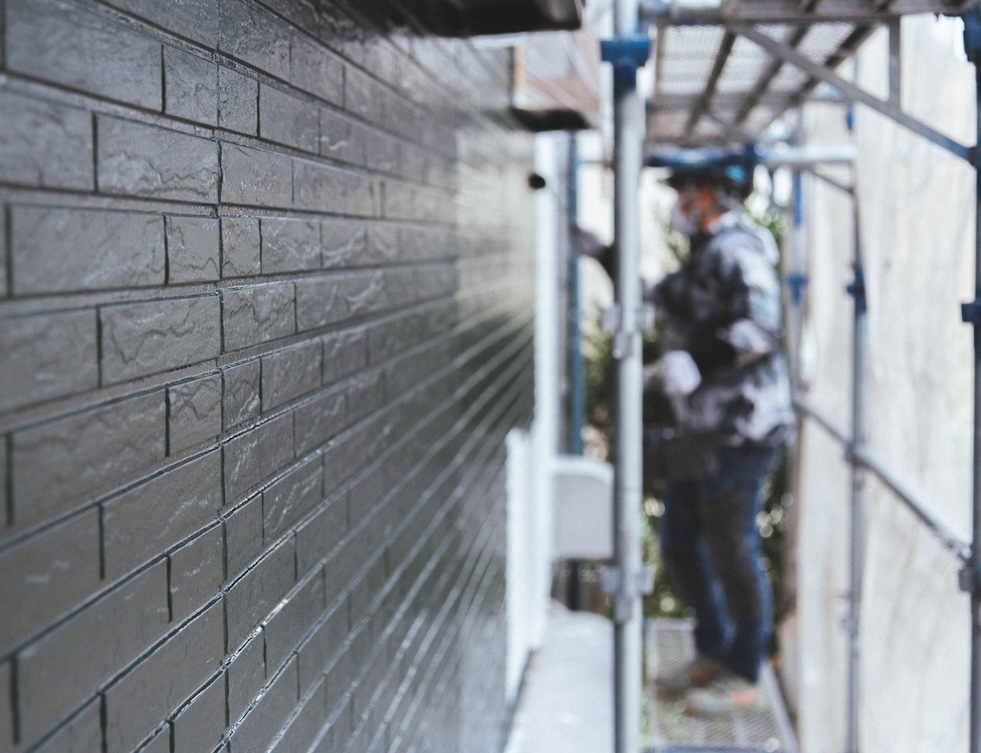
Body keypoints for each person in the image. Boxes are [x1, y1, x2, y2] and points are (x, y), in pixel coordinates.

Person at [574, 151, 795, 715]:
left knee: (731, 549)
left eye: (687, 192)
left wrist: (696, 359)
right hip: (706, 429)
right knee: (678, 540)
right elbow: (656, 296)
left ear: (714, 195)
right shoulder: (706, 256)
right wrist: (603, 253)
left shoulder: (738, 250)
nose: (679, 204)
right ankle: (713, 652)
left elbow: (760, 328)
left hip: (742, 430)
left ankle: (743, 671)